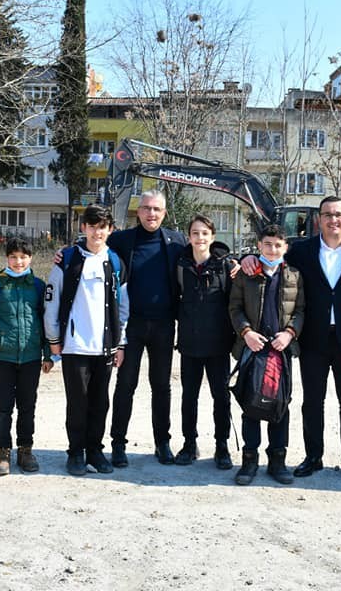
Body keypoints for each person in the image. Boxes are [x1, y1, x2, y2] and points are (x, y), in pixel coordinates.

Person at [241, 196, 341, 481]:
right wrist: (247, 258)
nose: (333, 220)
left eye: (338, 214)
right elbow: (271, 257)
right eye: (327, 214)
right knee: (313, 401)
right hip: (314, 338)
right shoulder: (302, 250)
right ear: (319, 220)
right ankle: (313, 456)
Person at [44, 204, 129, 476]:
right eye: (92, 226)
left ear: (110, 230)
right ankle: (75, 452)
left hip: (104, 347)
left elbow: (123, 306)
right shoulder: (67, 259)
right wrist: (54, 338)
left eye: (102, 227)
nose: (97, 232)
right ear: (83, 228)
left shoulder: (115, 262)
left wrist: (121, 342)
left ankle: (95, 450)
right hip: (74, 345)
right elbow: (52, 300)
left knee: (100, 402)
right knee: (77, 402)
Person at [104, 189, 187, 467]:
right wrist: (63, 254)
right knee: (125, 384)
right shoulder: (121, 240)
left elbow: (206, 250)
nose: (151, 214)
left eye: (157, 210)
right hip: (132, 326)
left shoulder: (176, 241)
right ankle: (118, 444)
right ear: (138, 212)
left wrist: (233, 261)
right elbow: (91, 245)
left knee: (161, 386)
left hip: (164, 324)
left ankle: (162, 443)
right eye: (146, 208)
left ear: (164, 213)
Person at [228, 224, 305, 485]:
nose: (272, 249)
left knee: (280, 404)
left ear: (286, 248)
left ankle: (277, 460)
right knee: (251, 404)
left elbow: (301, 311)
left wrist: (290, 333)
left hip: (280, 352)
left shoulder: (294, 275)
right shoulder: (246, 273)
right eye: (268, 244)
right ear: (259, 245)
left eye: (278, 245)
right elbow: (234, 308)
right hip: (253, 349)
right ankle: (249, 460)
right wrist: (246, 332)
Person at [0, 237, 53, 476]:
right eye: (13, 257)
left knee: (27, 406)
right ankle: (2, 451)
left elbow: (47, 322)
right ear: (6, 258)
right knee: (3, 407)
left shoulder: (38, 286)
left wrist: (48, 354)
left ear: (31, 258)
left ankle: (25, 449)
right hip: (3, 358)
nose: (18, 262)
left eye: (23, 257)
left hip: (30, 358)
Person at [173, 214, 236, 469]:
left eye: (204, 233)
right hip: (189, 344)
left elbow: (235, 303)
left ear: (212, 237)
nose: (200, 238)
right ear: (189, 237)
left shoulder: (225, 266)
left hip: (219, 345)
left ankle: (222, 446)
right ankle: (189, 443)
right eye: (195, 233)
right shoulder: (180, 266)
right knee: (189, 397)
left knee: (220, 397)